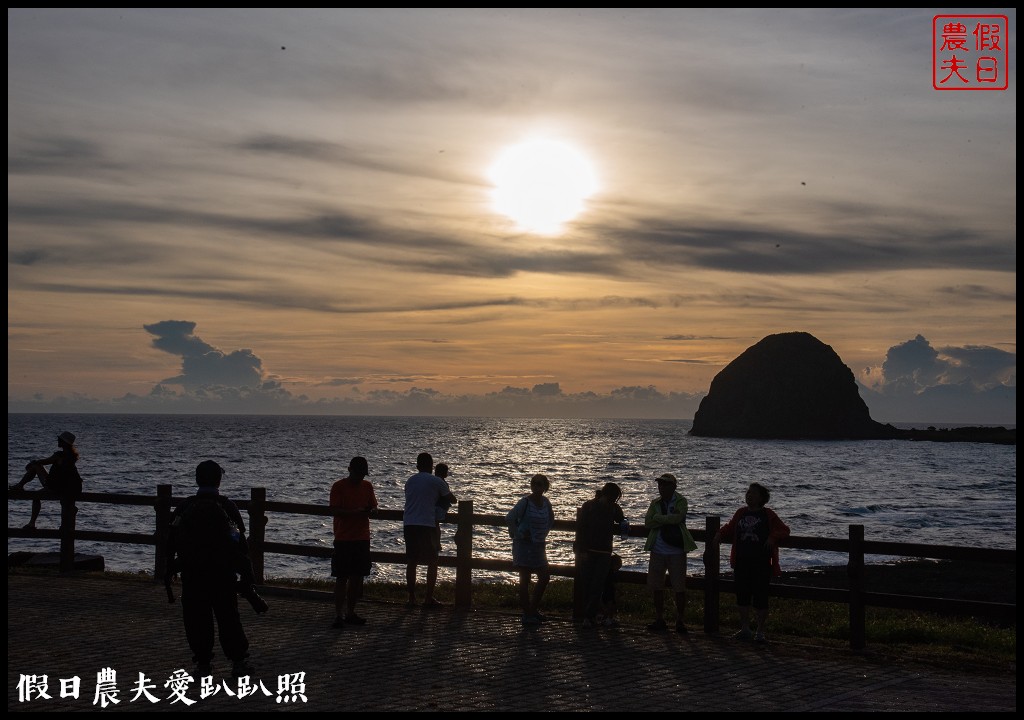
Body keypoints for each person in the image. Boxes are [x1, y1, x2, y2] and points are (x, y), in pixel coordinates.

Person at [165, 460, 255, 678]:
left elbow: (171, 541)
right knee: (228, 618)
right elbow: (240, 543)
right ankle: (238, 662)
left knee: (197, 620)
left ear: (197, 479)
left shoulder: (185, 506)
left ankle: (203, 664)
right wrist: (245, 573)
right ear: (219, 480)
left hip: (193, 574)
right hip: (222, 574)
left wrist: (172, 567)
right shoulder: (226, 505)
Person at [711, 482, 791, 643]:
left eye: (753, 493)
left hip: (761, 562)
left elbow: (784, 530)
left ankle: (760, 631)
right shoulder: (741, 512)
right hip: (741, 561)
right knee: (742, 596)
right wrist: (719, 534)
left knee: (761, 597)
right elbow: (731, 527)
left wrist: (772, 537)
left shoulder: (768, 514)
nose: (749, 495)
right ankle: (745, 628)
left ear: (762, 498)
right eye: (748, 492)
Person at [644, 473, 697, 634]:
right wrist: (666, 518)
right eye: (660, 485)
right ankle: (659, 618)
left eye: (665, 485)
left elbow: (678, 518)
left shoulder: (681, 501)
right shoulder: (655, 502)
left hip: (677, 551)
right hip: (657, 549)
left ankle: (680, 620)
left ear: (674, 486)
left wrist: (659, 518)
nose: (662, 488)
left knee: (679, 587)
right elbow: (648, 522)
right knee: (656, 587)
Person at [329, 456, 378, 629]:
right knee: (341, 577)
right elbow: (334, 509)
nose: (360, 478)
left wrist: (368, 510)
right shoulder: (338, 486)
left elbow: (373, 505)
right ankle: (338, 614)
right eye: (358, 474)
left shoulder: (367, 486)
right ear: (350, 470)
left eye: (363, 474)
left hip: (362, 537)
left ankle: (350, 612)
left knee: (357, 577)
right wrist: (355, 512)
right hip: (343, 537)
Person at [404, 452, 457, 607]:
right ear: (431, 465)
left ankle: (411, 598)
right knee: (432, 561)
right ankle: (428, 598)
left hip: (409, 523)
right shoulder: (436, 481)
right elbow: (452, 499)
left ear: (417, 466)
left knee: (412, 561)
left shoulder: (410, 481)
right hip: (427, 524)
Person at [574, 482, 628, 629]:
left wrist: (623, 522)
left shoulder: (609, 507)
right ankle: (590, 615)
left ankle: (590, 616)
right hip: (591, 551)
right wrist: (581, 550)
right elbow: (581, 529)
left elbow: (621, 519)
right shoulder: (590, 506)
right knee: (589, 584)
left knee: (596, 585)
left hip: (602, 553)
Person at [506, 473, 555, 625]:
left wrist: (543, 534)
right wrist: (520, 533)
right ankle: (527, 614)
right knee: (524, 579)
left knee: (544, 577)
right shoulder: (524, 502)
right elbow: (509, 518)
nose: (536, 486)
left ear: (545, 487)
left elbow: (551, 519)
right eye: (534, 483)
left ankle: (532, 610)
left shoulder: (546, 502)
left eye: (539, 484)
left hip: (539, 545)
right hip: (524, 546)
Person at [9, 430, 83, 530]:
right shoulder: (72, 456)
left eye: (59, 439)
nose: (57, 440)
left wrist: (32, 463)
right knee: (36, 466)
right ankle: (20, 486)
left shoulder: (59, 455)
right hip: (67, 487)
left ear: (64, 443)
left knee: (36, 495)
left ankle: (31, 523)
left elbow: (44, 461)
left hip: (56, 487)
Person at [433, 462, 454, 538]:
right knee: (435, 524)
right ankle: (436, 541)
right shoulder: (442, 483)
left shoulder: (437, 482)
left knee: (435, 523)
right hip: (441, 506)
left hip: (439, 507)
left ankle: (436, 540)